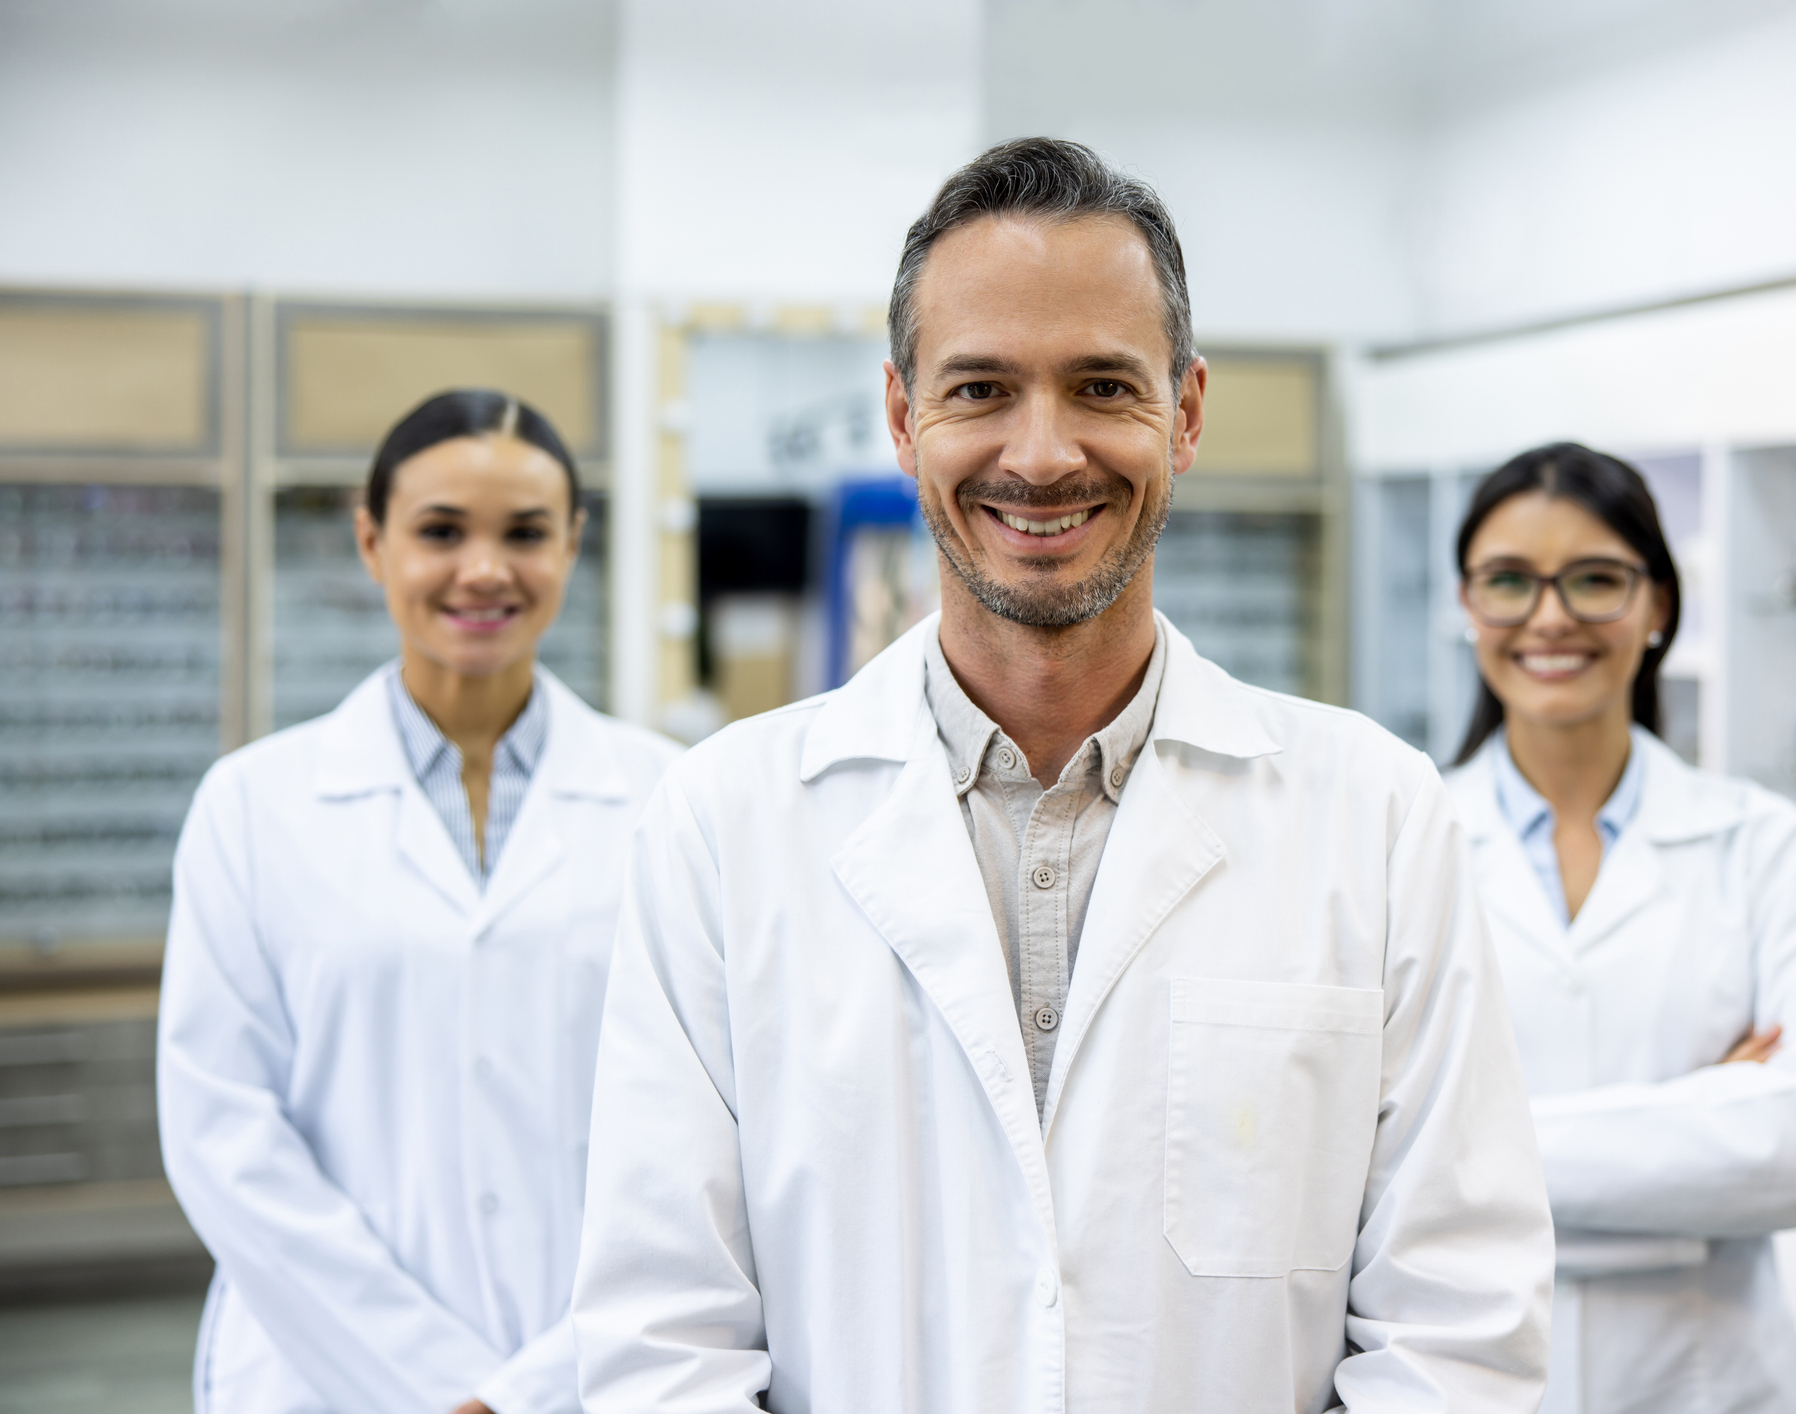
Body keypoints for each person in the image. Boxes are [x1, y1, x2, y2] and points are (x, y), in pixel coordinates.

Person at [571, 139, 1554, 1413]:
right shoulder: (722, 823)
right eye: (979, 388)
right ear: (900, 412)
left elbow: (1459, 1327)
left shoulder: (1372, 816)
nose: (1041, 455)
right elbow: (662, 1340)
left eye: (1101, 385)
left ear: (1185, 411)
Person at [158, 390, 681, 1414]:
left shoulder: (671, 798)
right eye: (441, 531)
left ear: (573, 545)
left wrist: (536, 1386)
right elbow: (224, 1134)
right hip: (320, 1376)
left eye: (525, 532)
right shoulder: (253, 806)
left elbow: (703, 1137)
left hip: (591, 1372)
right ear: (371, 541)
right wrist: (444, 1392)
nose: (483, 569)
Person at [1441, 443, 1796, 1414]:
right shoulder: (1403, 842)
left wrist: (1476, 1147)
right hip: (1465, 1376)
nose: (1550, 616)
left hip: (1707, 1382)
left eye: (1594, 580)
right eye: (1509, 581)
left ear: (1657, 606)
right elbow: (1345, 1156)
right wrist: (1704, 1109)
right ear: (1466, 606)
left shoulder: (1757, 843)